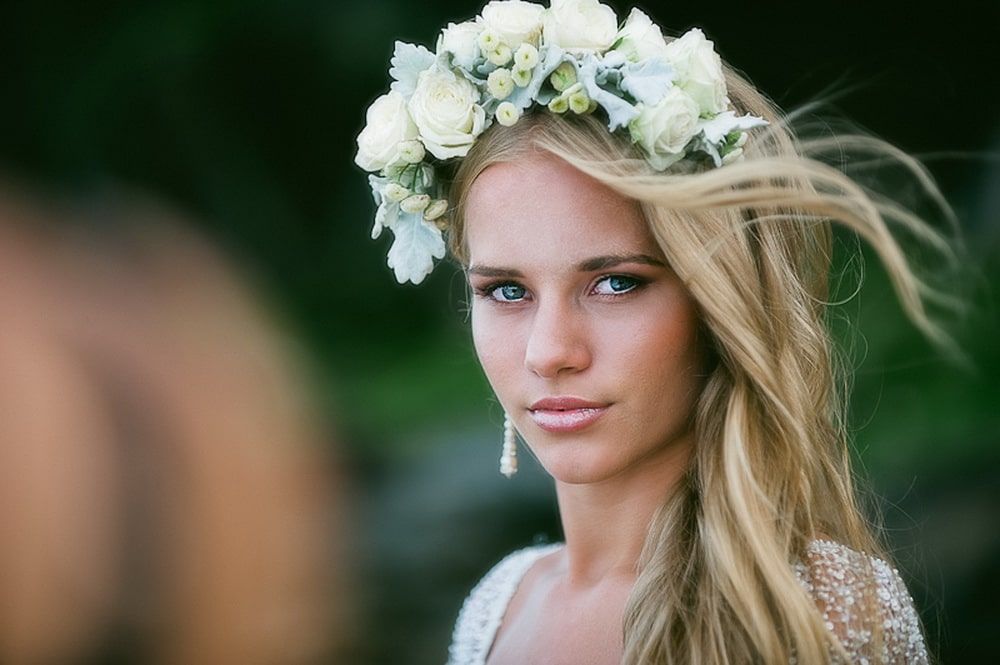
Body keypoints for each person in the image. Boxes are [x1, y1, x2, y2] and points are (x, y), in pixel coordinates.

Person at [354, 1, 955, 662]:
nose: (549, 352)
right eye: (507, 290)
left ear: (717, 298)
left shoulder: (823, 611)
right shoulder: (499, 606)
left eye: (616, 283)